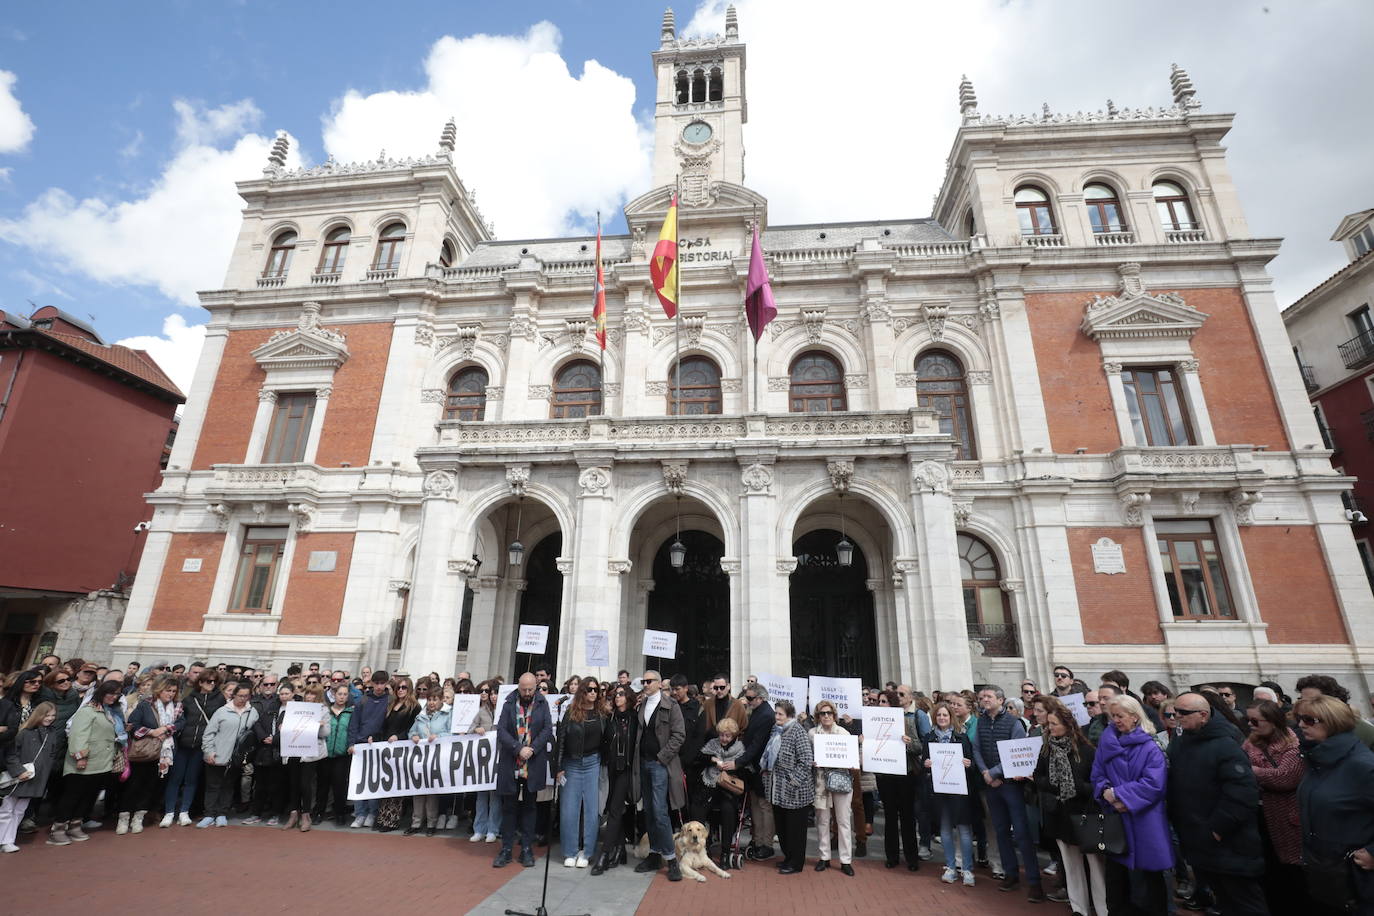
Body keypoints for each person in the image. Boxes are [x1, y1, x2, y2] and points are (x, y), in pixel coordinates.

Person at [1168, 691, 1270, 916]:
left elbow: (1242, 793)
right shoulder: (1182, 741)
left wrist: (1216, 829)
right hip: (1199, 840)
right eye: (1175, 712)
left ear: (1203, 715)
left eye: (1183, 713)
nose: (1177, 717)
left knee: (1245, 902)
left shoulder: (1225, 743)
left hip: (1229, 842)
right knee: (1224, 901)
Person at [1091, 693, 1173, 915]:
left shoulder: (1150, 747)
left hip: (1145, 820)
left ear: (1135, 717)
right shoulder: (1106, 744)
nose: (1115, 720)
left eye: (1120, 716)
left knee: (1150, 877)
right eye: (1112, 716)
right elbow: (1097, 774)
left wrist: (1119, 794)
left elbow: (1154, 784)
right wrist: (1105, 792)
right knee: (1116, 878)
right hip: (1116, 820)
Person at [1295, 693, 1374, 914]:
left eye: (1309, 720)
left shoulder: (1363, 765)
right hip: (1327, 875)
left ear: (1333, 722)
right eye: (1299, 719)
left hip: (1361, 882)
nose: (1301, 725)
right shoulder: (1316, 761)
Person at [972, 685, 1045, 902]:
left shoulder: (1014, 723)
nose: (984, 699)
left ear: (1000, 700)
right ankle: (1010, 874)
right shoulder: (981, 721)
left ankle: (1034, 881)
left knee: (1022, 834)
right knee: (1001, 830)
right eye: (982, 696)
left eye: (989, 696)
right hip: (991, 785)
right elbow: (976, 748)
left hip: (1011, 785)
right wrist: (985, 772)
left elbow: (1017, 750)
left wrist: (994, 772)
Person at [1033, 702, 1106, 916]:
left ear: (1067, 724)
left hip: (1084, 811)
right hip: (1059, 812)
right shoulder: (1047, 749)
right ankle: (1079, 907)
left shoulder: (1086, 750)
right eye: (1048, 725)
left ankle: (1103, 908)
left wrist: (1077, 786)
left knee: (1095, 864)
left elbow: (1097, 783)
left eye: (1054, 724)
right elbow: (1039, 776)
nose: (1050, 729)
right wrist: (1053, 785)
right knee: (1070, 862)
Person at [1242, 698, 1305, 912]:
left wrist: (1253, 772)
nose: (1250, 725)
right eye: (1247, 720)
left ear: (1272, 721)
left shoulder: (1292, 744)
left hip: (1288, 819)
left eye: (1255, 721)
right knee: (1269, 871)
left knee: (1292, 874)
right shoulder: (1249, 743)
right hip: (1260, 816)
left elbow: (1285, 778)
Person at [49, 680, 123, 846]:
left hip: (101, 761)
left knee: (88, 796)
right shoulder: (87, 711)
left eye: (117, 693)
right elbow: (78, 735)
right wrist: (80, 756)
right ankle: (59, 828)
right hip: (85, 760)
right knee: (73, 794)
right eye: (111, 693)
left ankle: (75, 824)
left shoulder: (110, 712)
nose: (114, 696)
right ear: (102, 692)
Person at [494, 673, 553, 869]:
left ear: (535, 687)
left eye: (531, 689)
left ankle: (527, 849)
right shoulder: (509, 702)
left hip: (532, 763)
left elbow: (546, 730)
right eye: (524, 689)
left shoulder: (542, 703)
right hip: (512, 762)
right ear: (518, 687)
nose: (527, 693)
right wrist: (518, 748)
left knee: (530, 808)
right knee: (509, 808)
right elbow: (501, 730)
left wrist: (533, 748)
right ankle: (506, 849)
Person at [632, 669, 684, 882]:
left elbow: (679, 735)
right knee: (649, 811)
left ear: (659, 683)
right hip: (643, 763)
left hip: (660, 765)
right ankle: (654, 853)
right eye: (643, 680)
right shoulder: (642, 705)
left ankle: (671, 860)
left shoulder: (671, 706)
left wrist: (662, 757)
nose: (645, 684)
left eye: (649, 681)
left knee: (660, 812)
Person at [923, 700, 976, 886]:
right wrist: (927, 765)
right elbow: (925, 764)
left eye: (945, 715)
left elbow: (971, 763)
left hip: (959, 791)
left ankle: (967, 869)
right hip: (940, 791)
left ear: (951, 717)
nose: (942, 718)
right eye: (939, 715)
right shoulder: (929, 738)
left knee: (963, 830)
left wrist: (968, 764)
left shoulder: (961, 738)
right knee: (945, 830)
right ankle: (951, 867)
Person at [120, 674, 181, 835]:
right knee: (134, 785)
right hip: (144, 751)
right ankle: (124, 816)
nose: (171, 694)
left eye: (174, 691)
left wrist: (168, 729)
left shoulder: (176, 706)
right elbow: (133, 724)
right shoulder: (145, 705)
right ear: (159, 689)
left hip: (163, 752)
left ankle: (139, 817)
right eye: (168, 690)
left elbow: (182, 722)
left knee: (150, 786)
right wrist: (152, 732)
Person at [556, 677, 604, 867]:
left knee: (591, 810)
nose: (593, 692)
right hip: (572, 764)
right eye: (589, 689)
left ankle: (587, 852)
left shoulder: (602, 713)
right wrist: (558, 767)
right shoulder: (570, 712)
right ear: (582, 692)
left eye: (596, 690)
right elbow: (561, 740)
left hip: (593, 762)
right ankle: (570, 851)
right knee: (569, 809)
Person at [592, 681, 638, 875]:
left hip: (626, 770)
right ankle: (620, 850)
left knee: (615, 811)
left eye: (620, 694)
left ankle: (604, 853)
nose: (617, 697)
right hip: (610, 769)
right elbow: (603, 741)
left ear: (628, 697)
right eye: (615, 695)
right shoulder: (610, 718)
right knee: (613, 809)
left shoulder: (635, 719)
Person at [764, 698, 814, 875]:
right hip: (777, 790)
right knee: (782, 828)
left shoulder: (797, 731)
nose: (777, 716)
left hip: (795, 792)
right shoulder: (775, 730)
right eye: (776, 713)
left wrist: (793, 781)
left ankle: (796, 862)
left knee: (795, 830)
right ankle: (788, 857)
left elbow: (806, 759)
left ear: (789, 715)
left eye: (780, 714)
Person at [0, 702, 57, 853]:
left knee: (19, 811)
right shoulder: (24, 732)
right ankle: (4, 840)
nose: (50, 718)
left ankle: (8, 840)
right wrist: (18, 771)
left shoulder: (52, 733)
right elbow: (10, 754)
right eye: (47, 715)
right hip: (17, 778)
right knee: (6, 810)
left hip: (34, 778)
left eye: (53, 715)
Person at [810, 700, 855, 876]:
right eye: (823, 713)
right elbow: (807, 755)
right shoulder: (812, 734)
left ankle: (846, 860)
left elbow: (852, 758)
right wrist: (812, 762)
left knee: (843, 821)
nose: (826, 716)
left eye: (829, 713)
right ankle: (824, 857)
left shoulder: (843, 733)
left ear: (834, 715)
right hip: (821, 781)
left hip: (841, 780)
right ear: (818, 716)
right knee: (822, 820)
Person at [698, 715, 745, 871]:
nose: (724, 739)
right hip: (711, 786)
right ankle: (704, 847)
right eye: (721, 735)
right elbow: (699, 758)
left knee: (728, 811)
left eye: (727, 736)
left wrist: (733, 767)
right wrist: (712, 760)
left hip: (728, 790)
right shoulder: (712, 744)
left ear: (734, 736)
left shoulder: (739, 749)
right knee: (699, 808)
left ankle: (725, 852)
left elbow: (746, 771)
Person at [346, 670, 390, 828]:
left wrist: (379, 738)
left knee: (374, 781)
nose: (379, 686)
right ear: (371, 683)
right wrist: (351, 743)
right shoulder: (362, 701)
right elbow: (354, 724)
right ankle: (359, 814)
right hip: (361, 745)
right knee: (359, 780)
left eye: (382, 683)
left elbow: (388, 725)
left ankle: (372, 812)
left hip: (379, 746)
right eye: (376, 683)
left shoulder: (390, 701)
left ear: (386, 683)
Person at [375, 675, 420, 832]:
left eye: (404, 687)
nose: (400, 690)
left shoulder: (414, 707)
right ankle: (382, 817)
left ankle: (392, 819)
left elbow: (413, 729)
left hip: (402, 748)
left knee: (396, 784)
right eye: (398, 687)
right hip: (386, 747)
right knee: (385, 782)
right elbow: (384, 725)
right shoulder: (391, 704)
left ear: (409, 689)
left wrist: (399, 737)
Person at [280, 684, 327, 832]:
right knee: (293, 783)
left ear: (318, 696)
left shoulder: (323, 710)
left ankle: (306, 815)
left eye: (313, 694)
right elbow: (288, 727)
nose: (309, 696)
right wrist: (283, 727)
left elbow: (326, 733)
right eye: (308, 693)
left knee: (305, 785)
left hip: (309, 753)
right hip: (294, 750)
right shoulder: (295, 708)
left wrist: (320, 726)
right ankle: (294, 814)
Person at [406, 688, 451, 836]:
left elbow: (452, 733)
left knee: (432, 790)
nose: (431, 702)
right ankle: (416, 822)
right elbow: (412, 731)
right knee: (418, 790)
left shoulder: (447, 714)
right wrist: (413, 736)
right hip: (421, 758)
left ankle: (431, 823)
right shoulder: (421, 716)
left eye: (435, 699)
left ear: (440, 700)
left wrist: (438, 736)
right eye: (429, 699)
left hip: (437, 758)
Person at [740, 682, 777, 858]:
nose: (747, 701)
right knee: (755, 804)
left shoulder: (766, 715)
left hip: (761, 768)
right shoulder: (757, 712)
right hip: (753, 767)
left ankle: (767, 844)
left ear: (760, 698)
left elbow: (756, 744)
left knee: (764, 805)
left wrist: (739, 761)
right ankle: (758, 839)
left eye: (750, 698)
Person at [470, 679, 500, 843]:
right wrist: (476, 729)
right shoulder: (482, 712)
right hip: (483, 761)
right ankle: (479, 829)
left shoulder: (506, 711)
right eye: (491, 693)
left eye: (496, 693)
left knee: (495, 797)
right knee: (481, 796)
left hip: (498, 759)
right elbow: (469, 729)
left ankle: (493, 829)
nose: (494, 696)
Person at [320, 683, 354, 826]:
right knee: (322, 785)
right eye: (339, 694)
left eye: (345, 694)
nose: (342, 697)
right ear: (334, 695)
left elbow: (353, 731)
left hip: (342, 754)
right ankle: (319, 812)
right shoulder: (326, 711)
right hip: (325, 753)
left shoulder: (351, 712)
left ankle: (340, 813)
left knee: (340, 785)